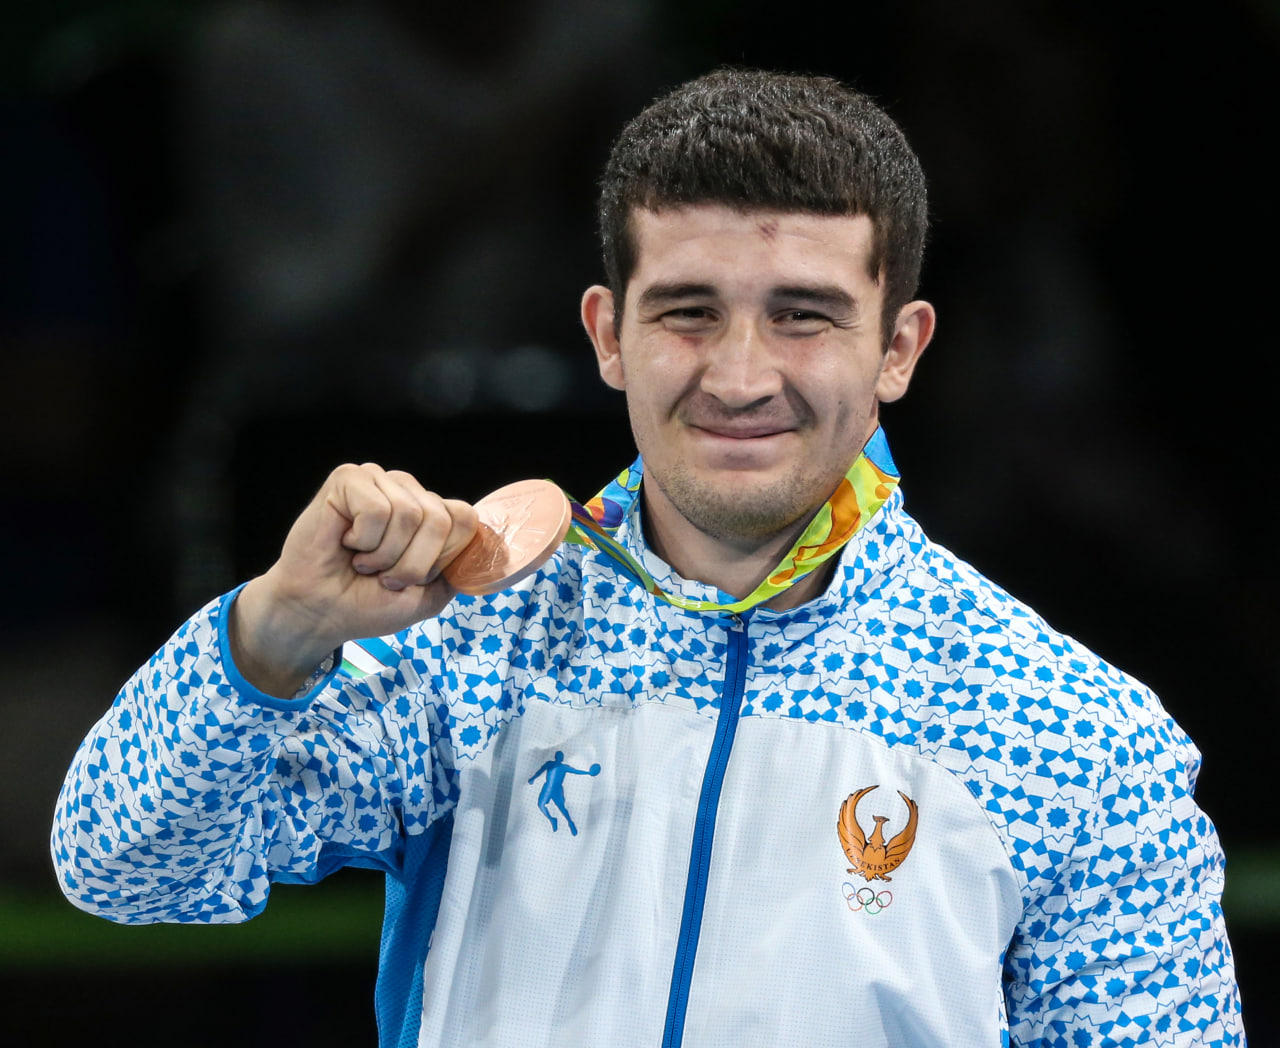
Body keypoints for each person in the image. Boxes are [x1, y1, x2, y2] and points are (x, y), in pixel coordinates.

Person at [52, 68, 1243, 1047]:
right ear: (607, 334)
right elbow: (123, 868)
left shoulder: (1071, 730)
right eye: (686, 311)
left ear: (898, 347)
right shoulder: (467, 640)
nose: (739, 376)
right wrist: (276, 632)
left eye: (802, 314)